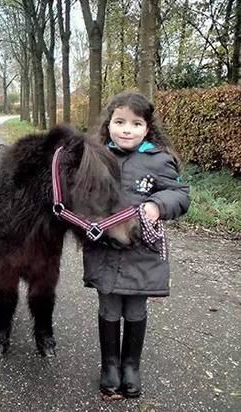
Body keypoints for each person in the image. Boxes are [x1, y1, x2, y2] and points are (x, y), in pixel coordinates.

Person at [83, 91, 190, 399]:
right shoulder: (96, 156)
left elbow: (180, 194)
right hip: (105, 249)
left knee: (135, 308)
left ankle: (131, 367)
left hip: (142, 252)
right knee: (109, 306)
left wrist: (157, 204)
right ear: (109, 124)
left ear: (147, 128)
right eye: (119, 122)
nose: (126, 129)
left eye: (135, 123)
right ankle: (110, 367)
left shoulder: (158, 160)